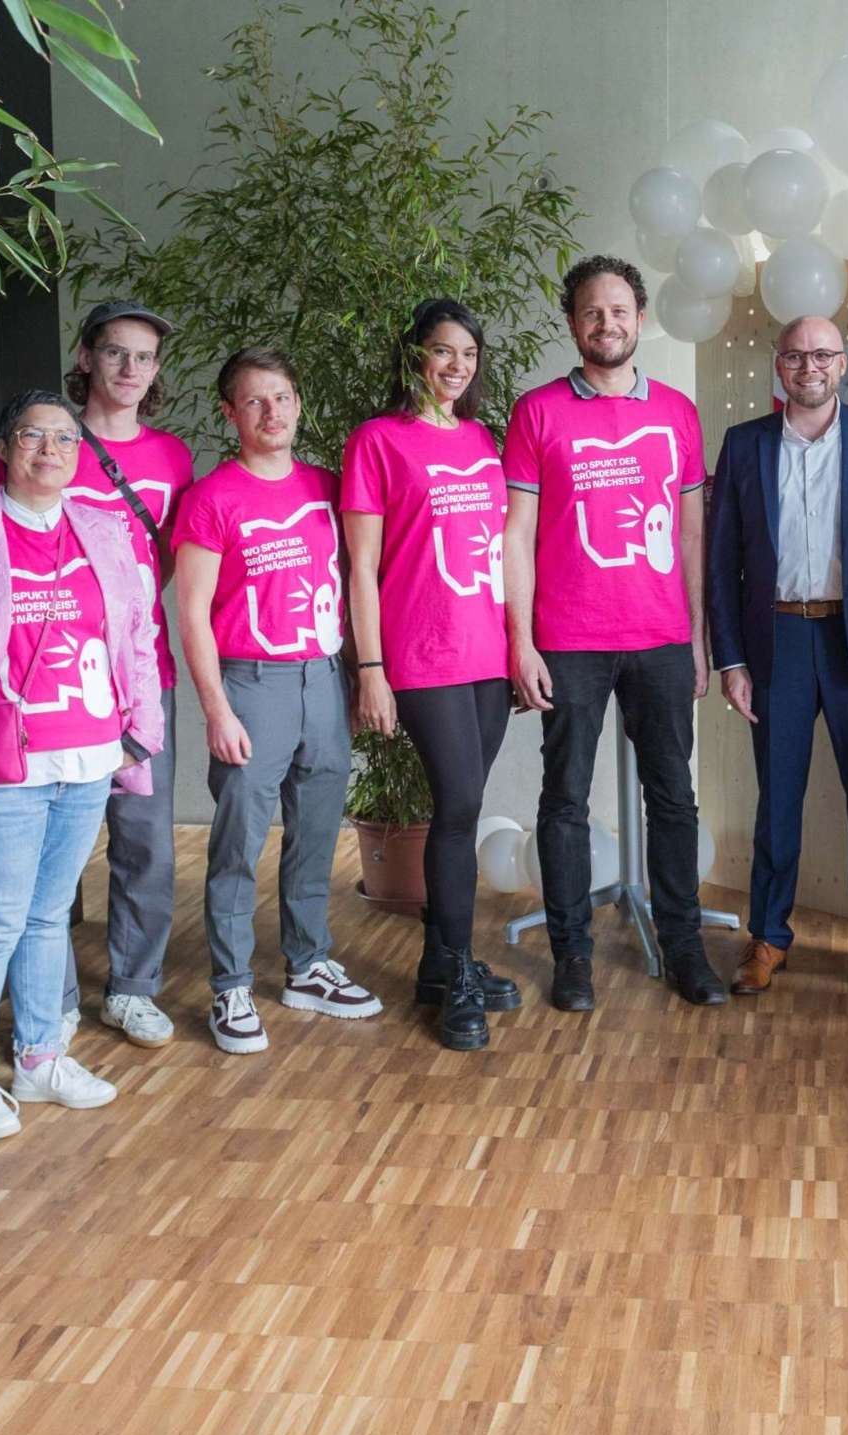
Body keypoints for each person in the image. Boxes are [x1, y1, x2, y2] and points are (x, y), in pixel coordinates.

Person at [0, 389, 164, 1139]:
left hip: (86, 760)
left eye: (65, 440)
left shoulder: (106, 531)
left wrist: (142, 728)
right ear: (6, 448)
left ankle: (42, 1056)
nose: (51, 451)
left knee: (48, 916)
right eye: (33, 436)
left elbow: (139, 634)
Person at [502, 256, 724, 1010]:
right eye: (593, 313)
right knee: (564, 798)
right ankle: (572, 956)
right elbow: (517, 534)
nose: (607, 324)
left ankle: (685, 946)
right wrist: (521, 640)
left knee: (674, 798)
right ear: (572, 323)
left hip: (661, 636)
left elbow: (692, 535)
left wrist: (698, 638)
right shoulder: (537, 413)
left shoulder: (678, 413)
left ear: (641, 318)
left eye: (620, 311)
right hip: (568, 639)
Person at [0, 300, 195, 1049]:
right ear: (85, 358)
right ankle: (54, 998)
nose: (131, 370)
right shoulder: (42, 442)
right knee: (51, 847)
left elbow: (174, 561)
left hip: (137, 677)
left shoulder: (171, 458)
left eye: (144, 357)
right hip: (43, 681)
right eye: (116, 354)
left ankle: (131, 989)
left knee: (146, 840)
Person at [706, 314, 848, 1001]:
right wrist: (730, 660)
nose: (810, 365)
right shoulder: (743, 446)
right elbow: (720, 567)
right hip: (777, 641)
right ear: (779, 366)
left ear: (842, 364)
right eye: (797, 355)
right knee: (778, 800)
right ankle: (768, 935)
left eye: (823, 354)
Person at [174, 347, 382, 1055]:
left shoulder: (326, 485)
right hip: (251, 682)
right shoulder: (212, 497)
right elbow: (193, 613)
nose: (273, 412)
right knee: (236, 841)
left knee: (319, 830)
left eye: (283, 396)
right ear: (231, 413)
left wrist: (356, 675)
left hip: (322, 677)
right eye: (255, 400)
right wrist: (217, 709)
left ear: (299, 403)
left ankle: (307, 962)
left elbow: (354, 583)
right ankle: (231, 985)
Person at [343, 298, 522, 1050]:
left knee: (463, 809)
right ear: (415, 353)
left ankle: (438, 963)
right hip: (421, 654)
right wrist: (371, 669)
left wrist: (520, 644)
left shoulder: (483, 438)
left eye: (470, 355)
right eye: (444, 351)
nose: (457, 367)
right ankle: (454, 975)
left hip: (487, 651)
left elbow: (504, 549)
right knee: (457, 804)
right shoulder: (378, 442)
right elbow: (360, 565)